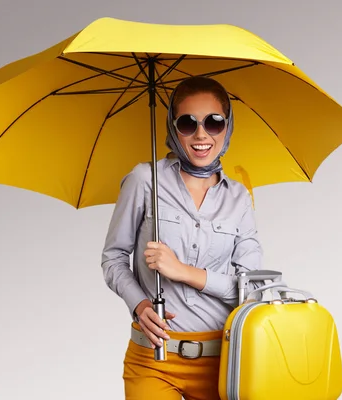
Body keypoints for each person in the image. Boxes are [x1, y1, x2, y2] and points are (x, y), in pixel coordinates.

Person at [101, 76, 263, 400]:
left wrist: (183, 271)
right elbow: (114, 257)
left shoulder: (239, 198)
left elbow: (253, 290)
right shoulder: (144, 179)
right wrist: (140, 303)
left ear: (227, 127)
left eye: (214, 122)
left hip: (224, 364)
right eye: (188, 123)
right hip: (153, 359)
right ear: (173, 128)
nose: (201, 134)